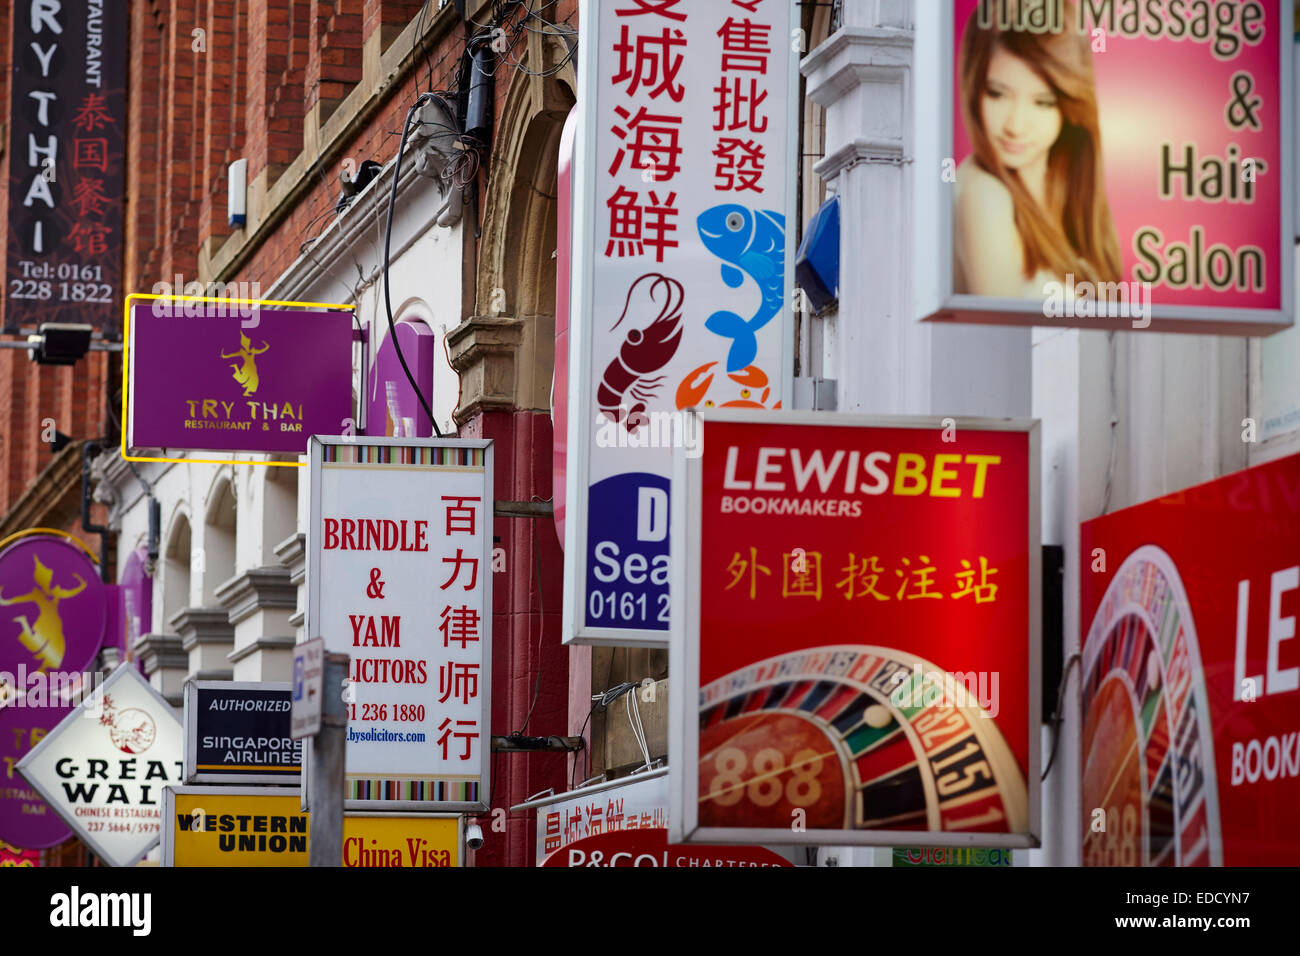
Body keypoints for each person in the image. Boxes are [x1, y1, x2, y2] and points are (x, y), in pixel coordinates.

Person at [954, 0, 1121, 298]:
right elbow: (999, 330)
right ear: (974, 85)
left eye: (1042, 102)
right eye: (997, 94)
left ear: (1069, 107)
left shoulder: (1068, 194)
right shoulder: (983, 193)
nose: (1015, 125)